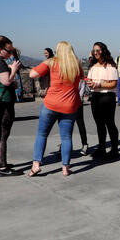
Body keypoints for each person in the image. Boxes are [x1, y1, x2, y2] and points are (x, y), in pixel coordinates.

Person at [28, 41, 84, 177]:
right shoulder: (77, 63)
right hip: (70, 106)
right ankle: (65, 168)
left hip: (51, 104)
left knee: (42, 134)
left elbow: (32, 75)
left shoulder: (51, 62)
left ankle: (36, 165)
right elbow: (81, 78)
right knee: (66, 138)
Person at [87, 42, 120, 160]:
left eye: (98, 50)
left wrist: (99, 84)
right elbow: (89, 79)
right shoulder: (93, 66)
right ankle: (101, 148)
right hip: (95, 96)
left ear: (103, 51)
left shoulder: (110, 66)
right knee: (99, 124)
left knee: (110, 123)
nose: (95, 53)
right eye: (94, 51)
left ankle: (115, 150)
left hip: (107, 97)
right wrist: (90, 83)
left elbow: (113, 83)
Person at [0, 35, 22, 176]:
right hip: (4, 102)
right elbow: (6, 82)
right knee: (2, 133)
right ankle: (2, 167)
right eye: (8, 50)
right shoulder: (0, 62)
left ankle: (1, 161)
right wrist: (13, 69)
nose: (10, 53)